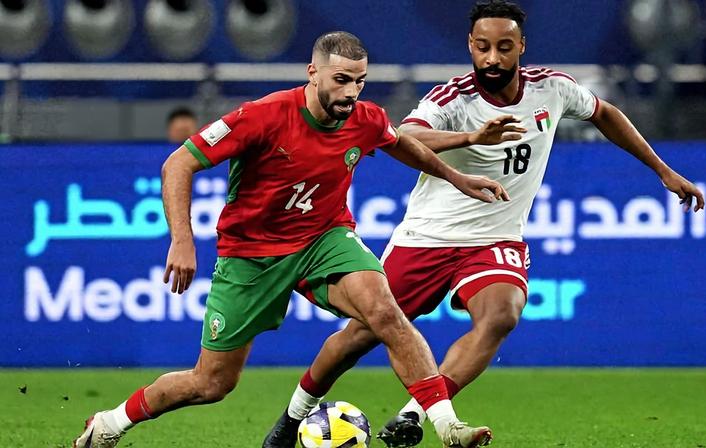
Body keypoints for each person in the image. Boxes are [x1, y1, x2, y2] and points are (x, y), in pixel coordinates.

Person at [263, 1, 706, 447]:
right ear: (470, 47)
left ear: (521, 48)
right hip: (426, 237)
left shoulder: (552, 89)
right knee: (360, 336)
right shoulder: (451, 99)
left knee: (501, 314)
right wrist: (471, 137)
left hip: (494, 239)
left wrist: (662, 170)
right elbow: (405, 136)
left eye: (504, 47)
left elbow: (605, 113)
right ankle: (291, 418)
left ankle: (416, 415)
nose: (492, 58)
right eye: (482, 47)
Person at [73, 31, 507, 448]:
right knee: (211, 383)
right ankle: (112, 422)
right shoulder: (261, 116)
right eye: (341, 80)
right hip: (251, 256)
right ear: (312, 73)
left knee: (384, 311)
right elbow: (178, 164)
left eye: (359, 81)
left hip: (325, 239)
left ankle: (447, 425)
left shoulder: (365, 117)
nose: (351, 92)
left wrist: (455, 175)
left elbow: (400, 143)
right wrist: (182, 241)